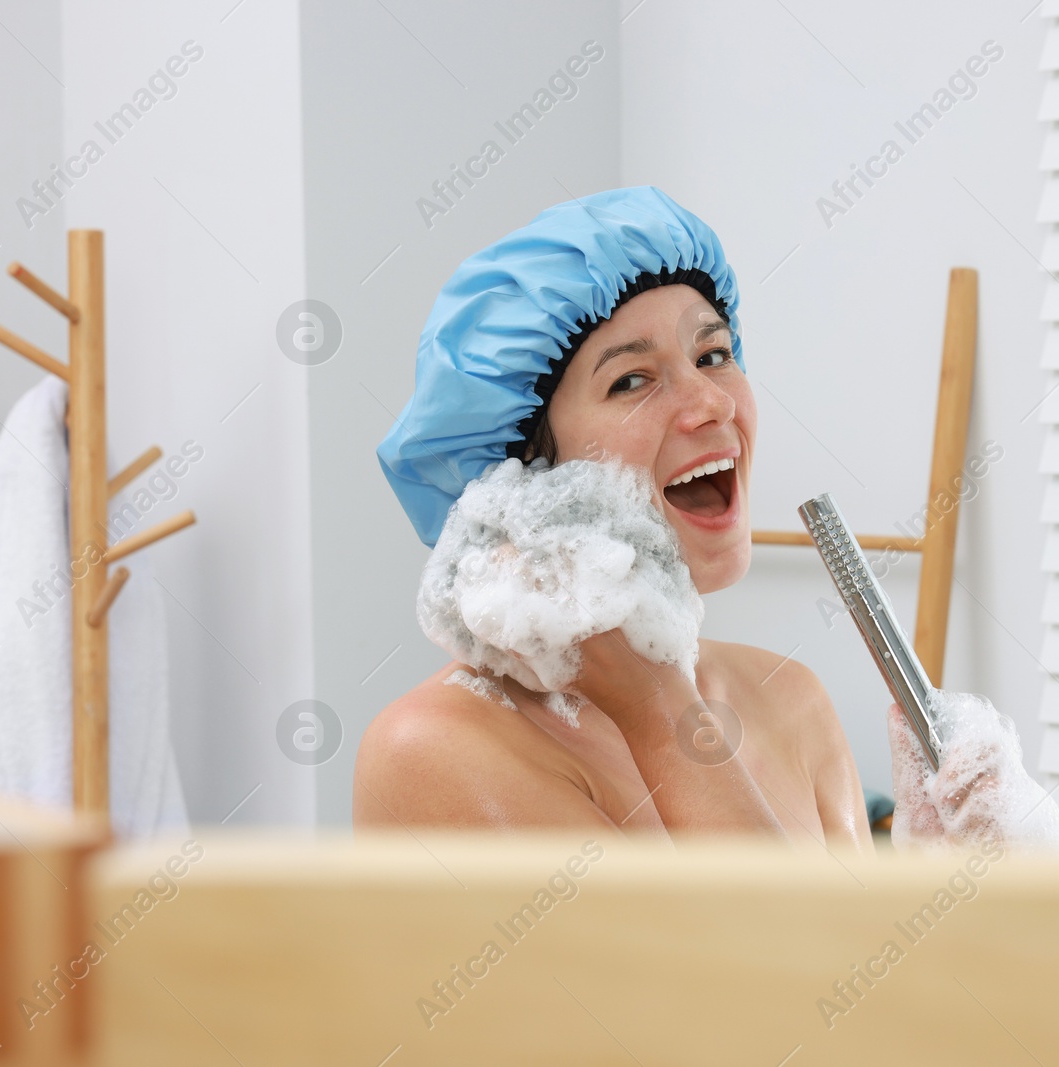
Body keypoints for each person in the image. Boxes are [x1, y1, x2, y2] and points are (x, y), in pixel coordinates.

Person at [356, 186, 954, 851]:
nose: (710, 402)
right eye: (631, 380)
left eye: (713, 355)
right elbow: (779, 953)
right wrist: (655, 706)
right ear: (523, 480)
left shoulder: (792, 700)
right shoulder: (435, 750)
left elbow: (861, 952)